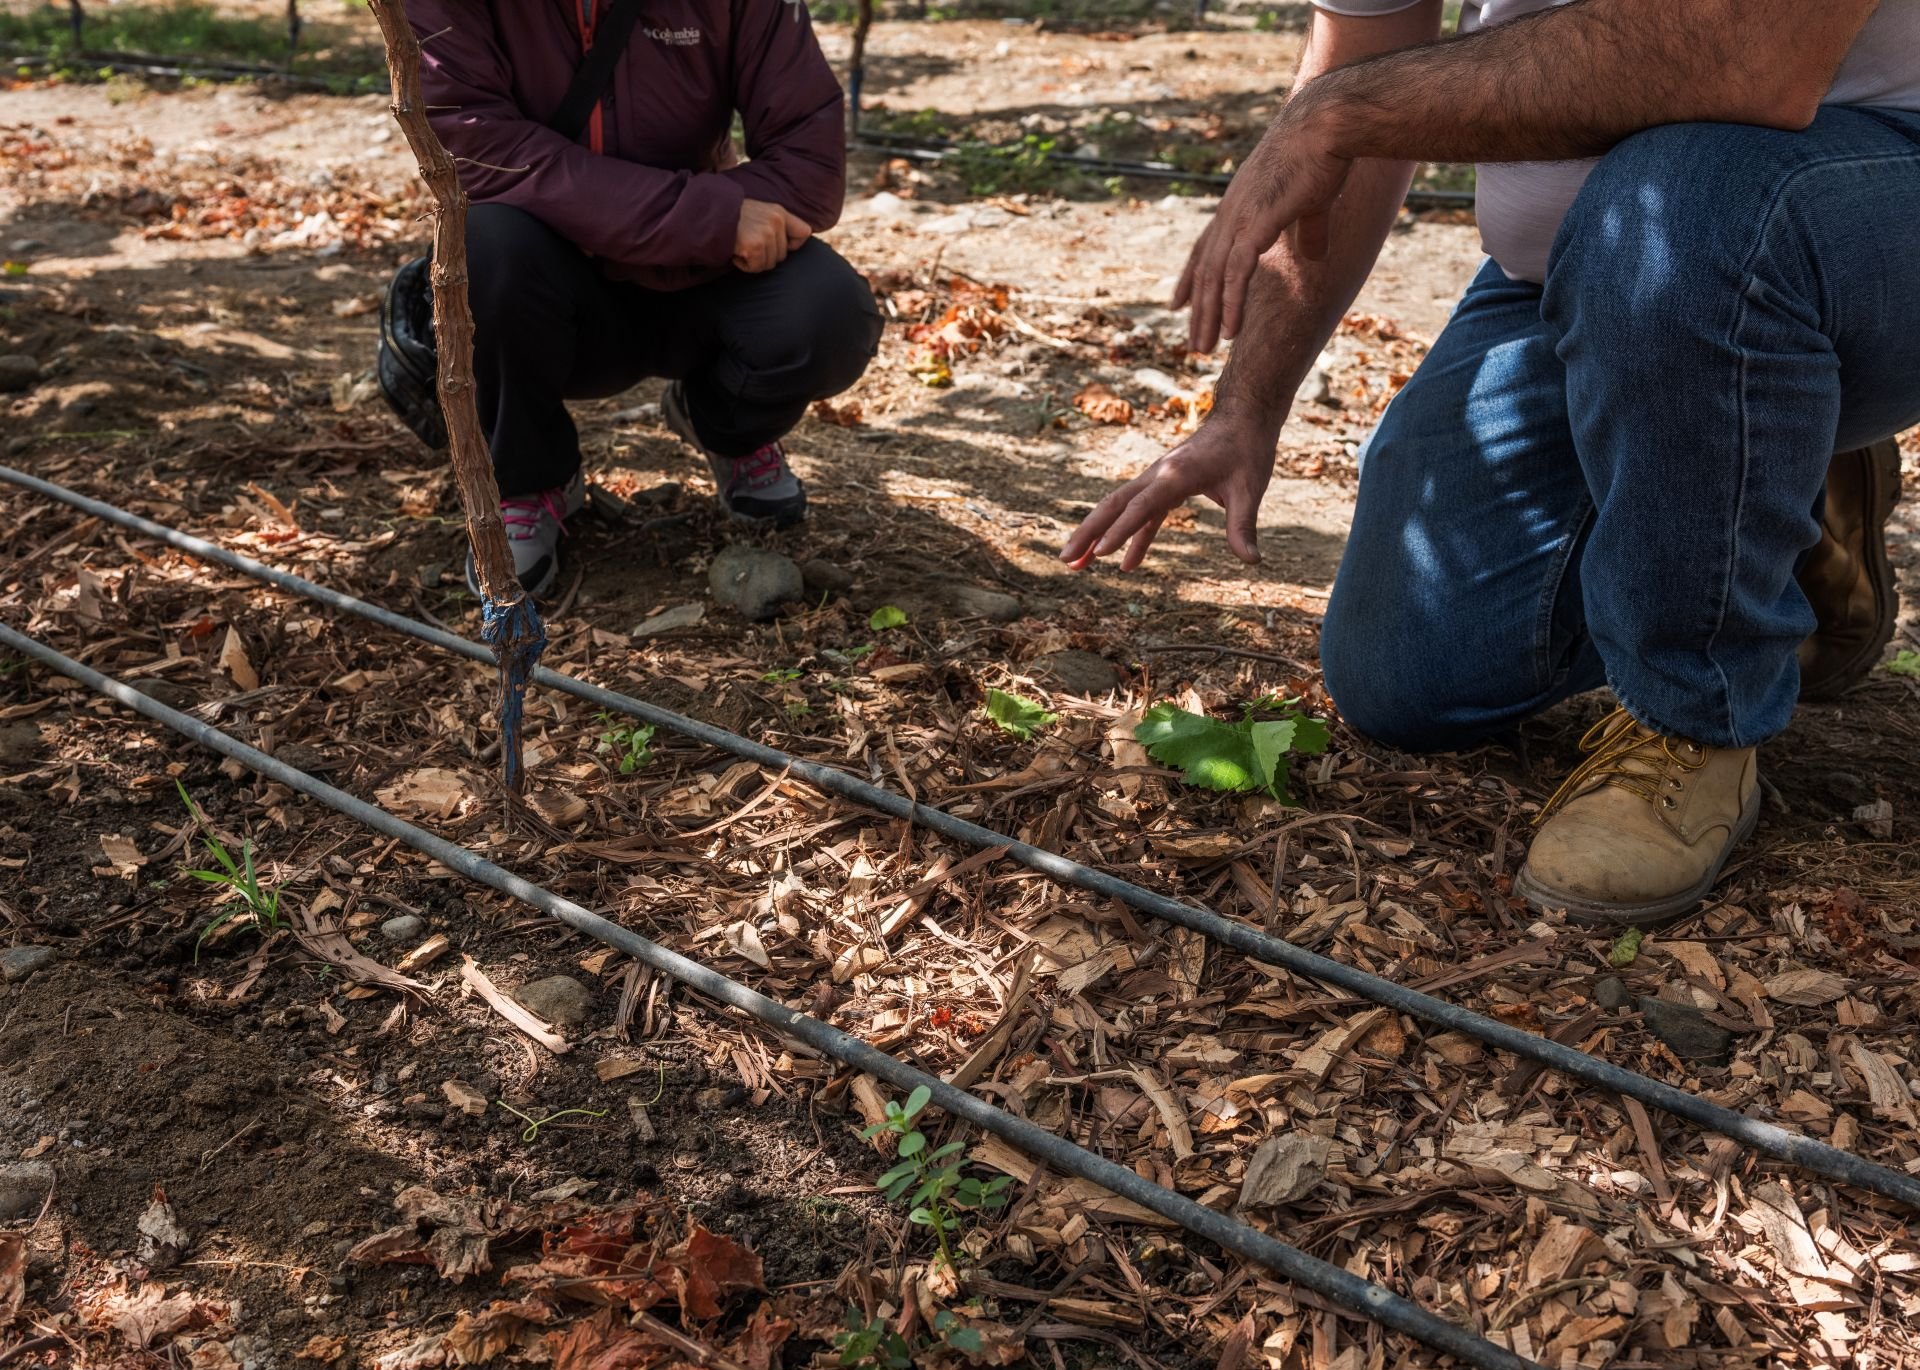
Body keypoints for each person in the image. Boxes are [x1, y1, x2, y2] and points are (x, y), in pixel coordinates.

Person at [1061, 0, 1916, 927]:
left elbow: (1745, 58)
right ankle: (1775, 460)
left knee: (1684, 201)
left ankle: (1696, 716)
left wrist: (1340, 112)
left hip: (1826, 217)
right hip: (1578, 281)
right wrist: (1245, 408)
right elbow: (1354, 84)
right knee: (1409, 677)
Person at [401, 0, 883, 596]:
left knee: (829, 313)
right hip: (550, 284)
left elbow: (811, 166)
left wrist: (684, 227)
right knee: (483, 249)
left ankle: (724, 425)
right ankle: (528, 480)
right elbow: (472, 152)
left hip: (702, 275)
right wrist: (705, 216)